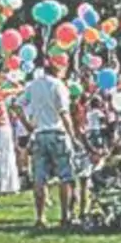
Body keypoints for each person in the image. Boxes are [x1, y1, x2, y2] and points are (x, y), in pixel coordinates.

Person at [22, 62, 82, 229]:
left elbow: (16, 104)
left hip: (39, 134)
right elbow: (63, 112)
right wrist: (73, 136)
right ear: (58, 70)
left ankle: (40, 218)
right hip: (57, 134)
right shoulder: (58, 85)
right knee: (65, 176)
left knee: (39, 179)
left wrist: (27, 125)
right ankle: (65, 216)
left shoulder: (32, 85)